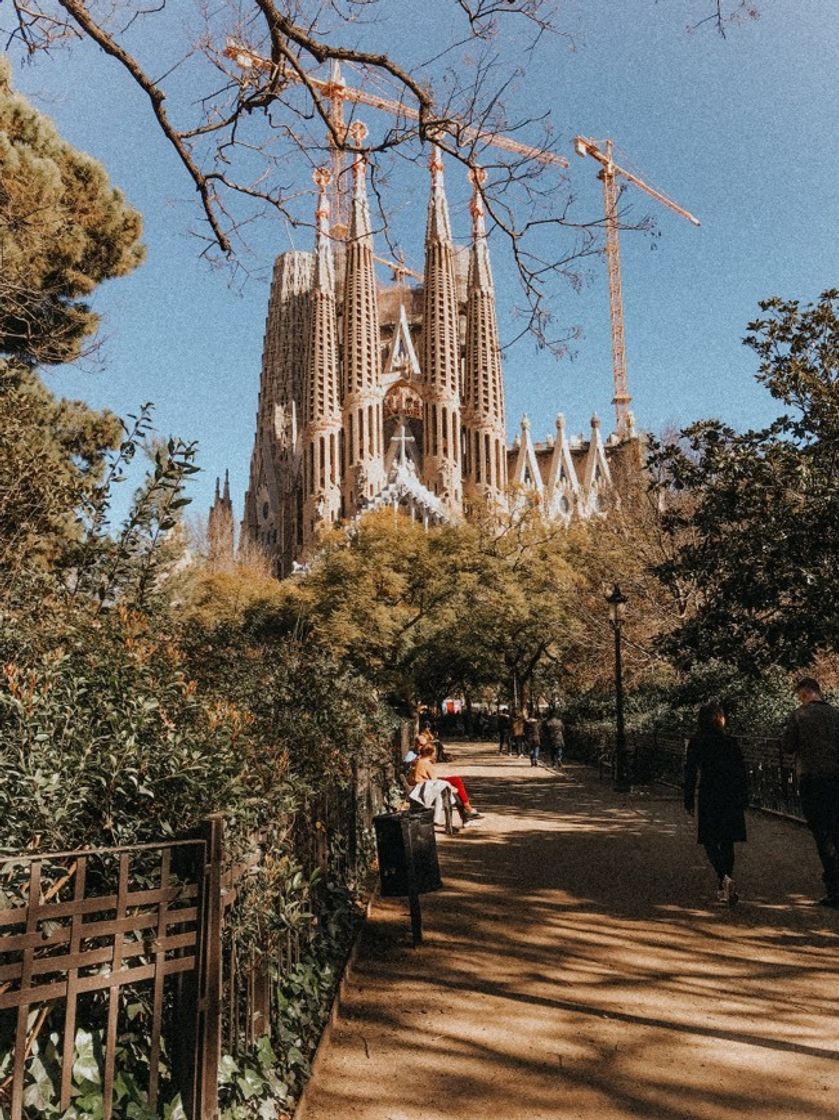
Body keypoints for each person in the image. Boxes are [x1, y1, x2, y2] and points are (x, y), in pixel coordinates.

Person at [684, 702, 748, 905]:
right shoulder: (729, 741)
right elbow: (741, 771)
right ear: (719, 718)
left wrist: (688, 799)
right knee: (727, 841)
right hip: (730, 793)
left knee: (710, 840)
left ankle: (723, 878)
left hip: (709, 792)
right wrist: (744, 796)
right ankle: (726, 882)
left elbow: (690, 771)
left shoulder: (697, 741)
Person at [783, 677, 839, 907]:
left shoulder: (798, 716)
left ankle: (835, 889)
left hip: (812, 780)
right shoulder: (837, 714)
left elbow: (788, 746)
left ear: (805, 694)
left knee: (822, 834)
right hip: (837, 778)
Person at [408, 742, 483, 823]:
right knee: (456, 781)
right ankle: (467, 810)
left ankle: (467, 813)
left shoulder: (419, 761)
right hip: (427, 787)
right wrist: (450, 786)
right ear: (431, 753)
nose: (436, 754)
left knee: (456, 782)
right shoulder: (426, 763)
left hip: (424, 786)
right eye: (435, 752)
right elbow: (435, 781)